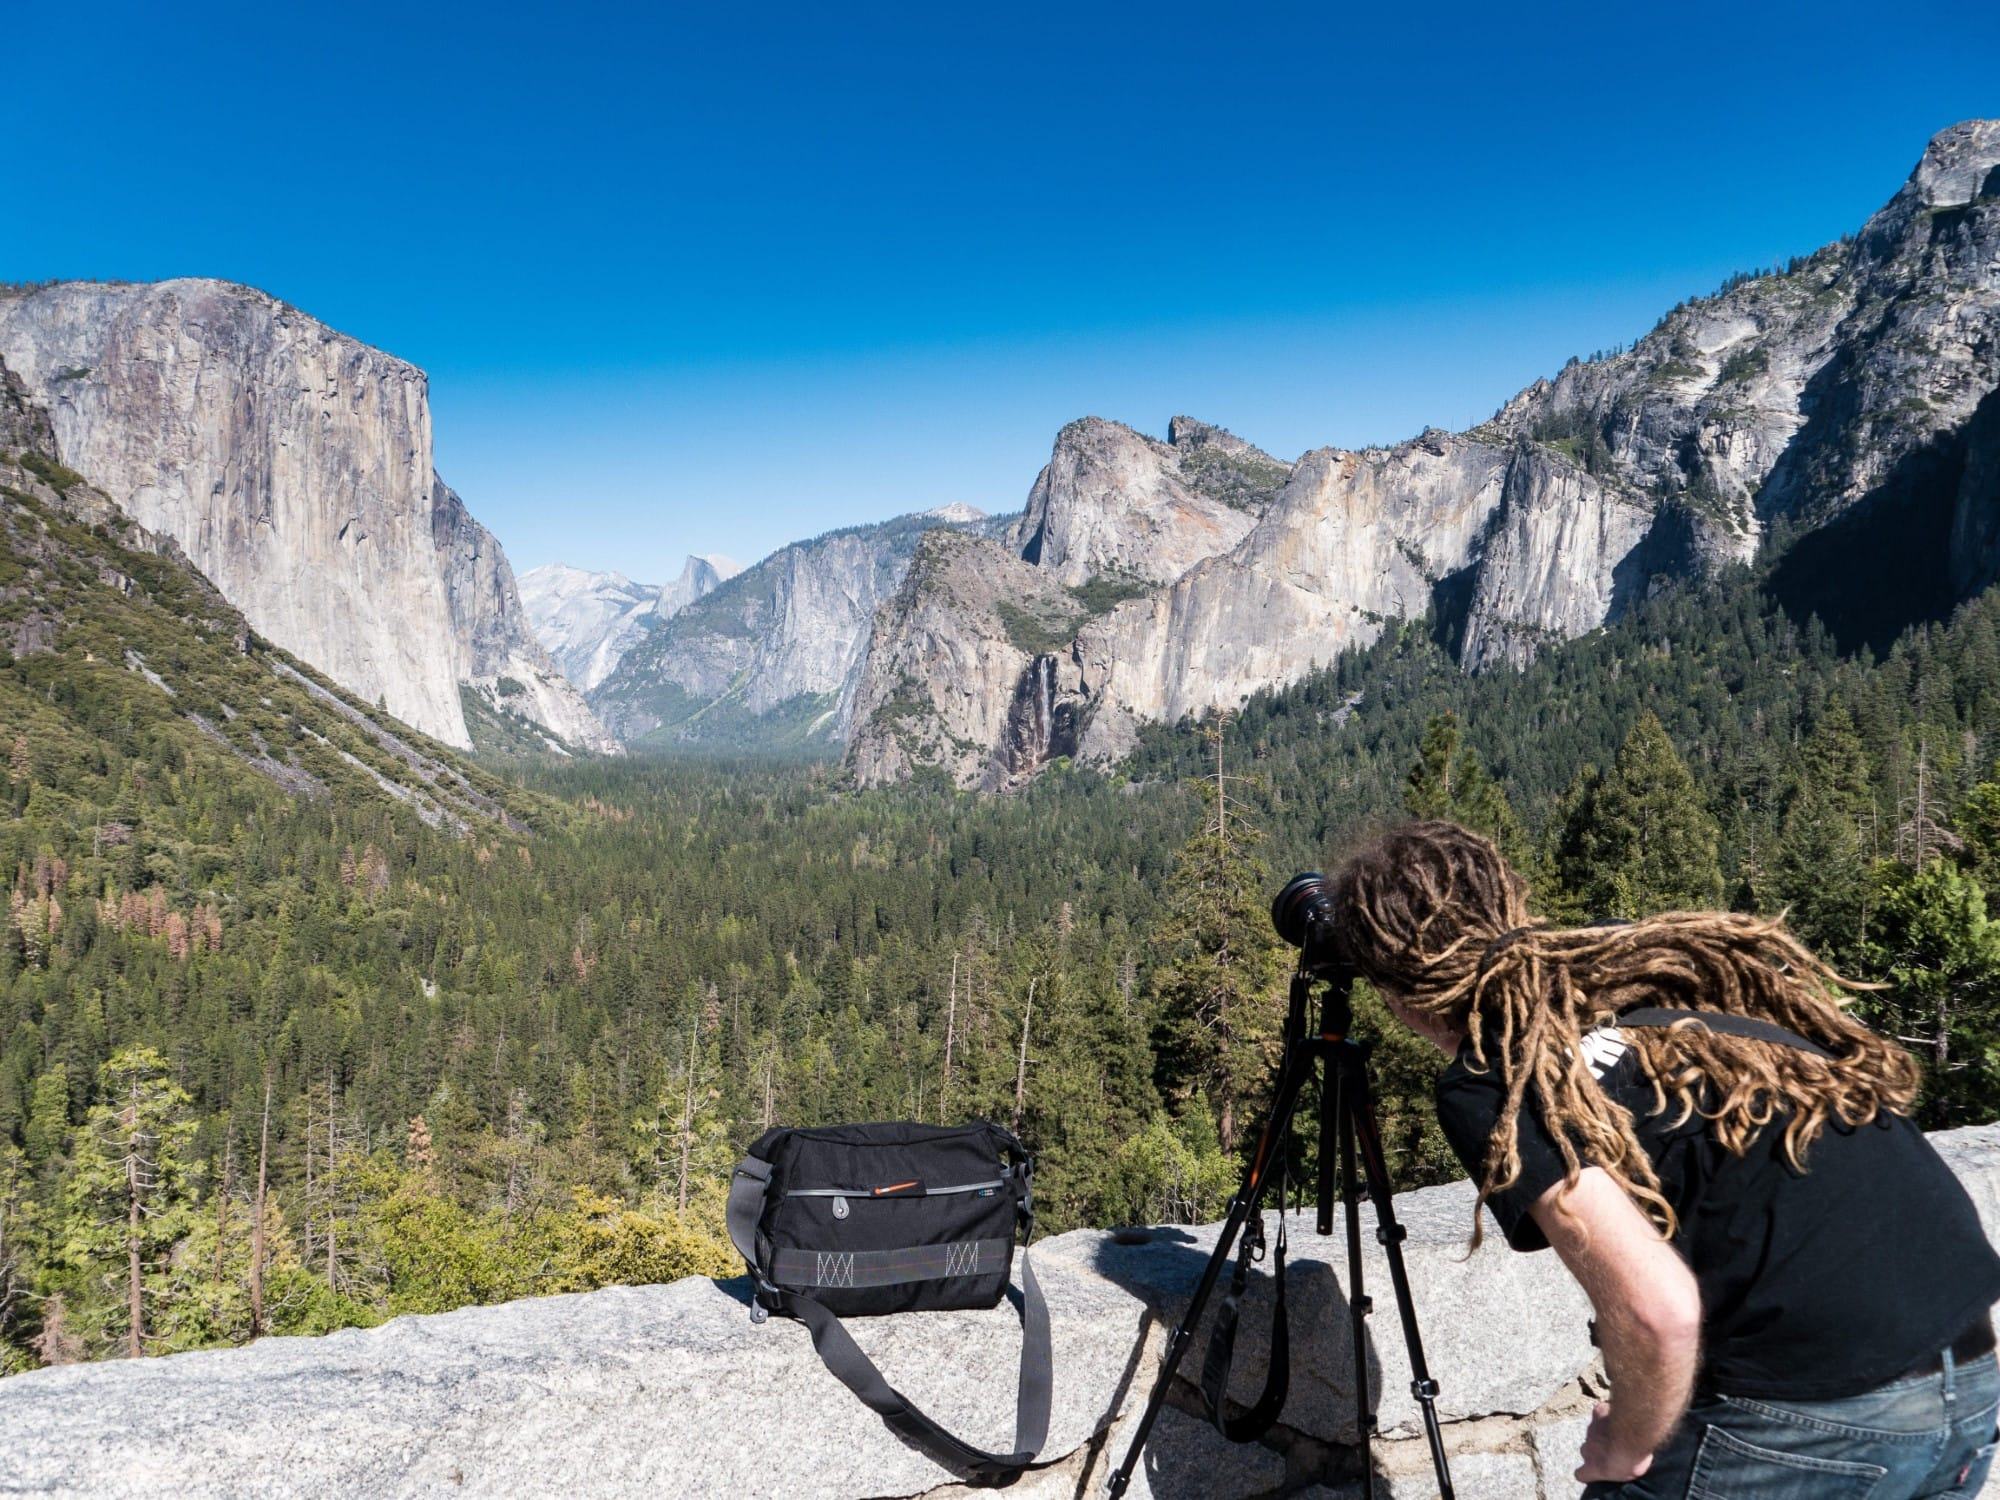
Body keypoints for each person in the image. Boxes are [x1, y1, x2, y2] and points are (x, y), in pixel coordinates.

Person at [1327, 820, 2000, 1499]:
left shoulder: (1492, 1073)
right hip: (1970, 1368)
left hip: (1818, 1405)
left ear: (1399, 995)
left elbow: (1658, 1309)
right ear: (1508, 896)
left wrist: (1626, 1443)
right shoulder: (1653, 967)